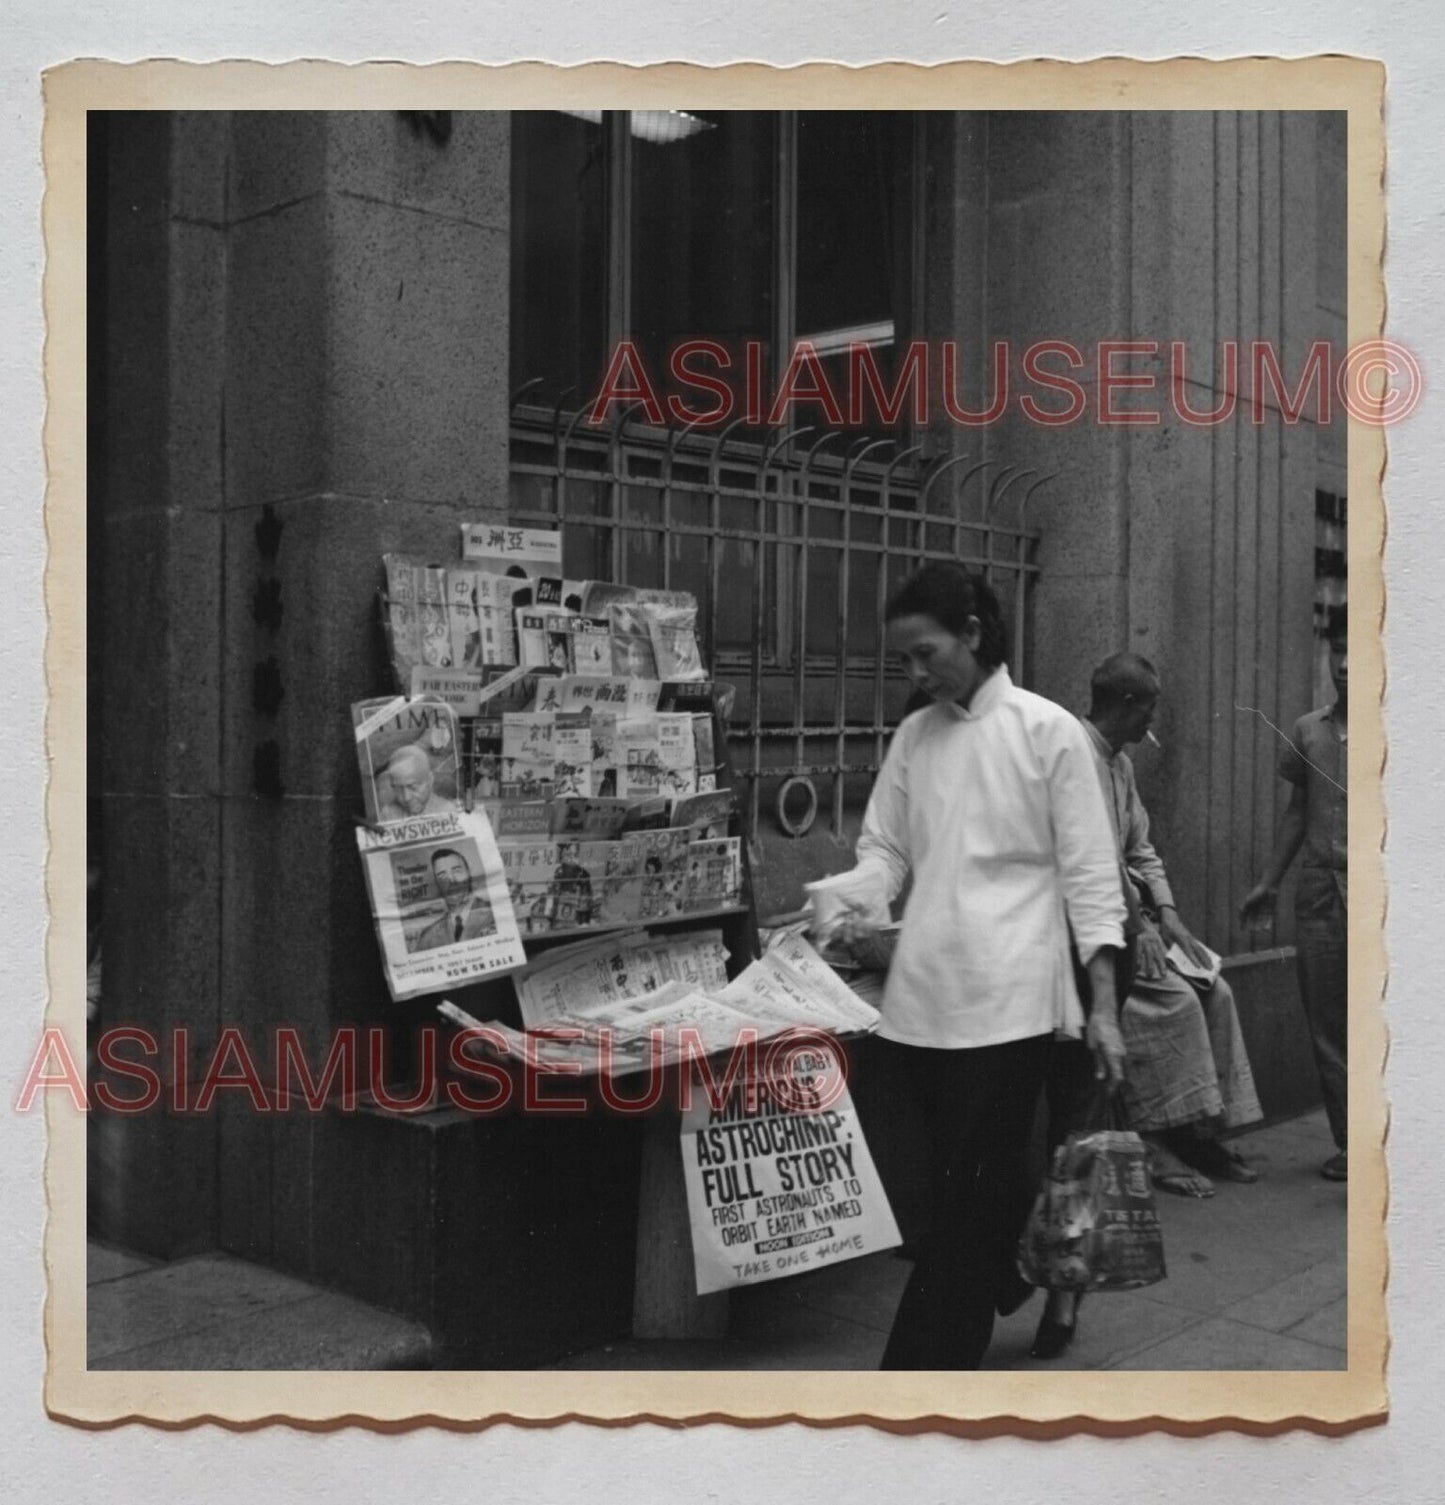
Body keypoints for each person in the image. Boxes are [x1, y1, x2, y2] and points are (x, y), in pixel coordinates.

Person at [827, 562, 1128, 1370]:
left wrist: (1101, 1005)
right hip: (922, 1002)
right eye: (903, 663)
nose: (915, 675)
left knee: (965, 1203)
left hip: (1016, 999)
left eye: (925, 655)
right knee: (959, 1198)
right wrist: (850, 895)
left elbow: (1094, 875)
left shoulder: (1048, 731)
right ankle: (1001, 1270)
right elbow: (884, 847)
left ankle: (919, 1381)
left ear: (972, 633)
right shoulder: (913, 738)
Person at [1028, 652, 1265, 1359]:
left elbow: (1135, 850)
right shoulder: (1066, 749)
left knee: (1077, 1130)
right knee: (1050, 1133)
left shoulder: (1120, 767)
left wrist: (1163, 916)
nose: (1154, 720)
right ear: (1129, 705)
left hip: (1101, 958)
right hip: (1057, 958)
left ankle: (1063, 1293)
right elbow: (1083, 863)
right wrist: (1136, 928)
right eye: (1150, 707)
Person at [1241, 606, 1348, 1181]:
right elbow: (1298, 810)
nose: (1348, 664)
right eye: (1338, 651)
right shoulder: (1310, 730)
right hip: (1319, 893)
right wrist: (1269, 881)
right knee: (1327, 1020)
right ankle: (1352, 1141)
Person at [411, 847, 496, 951]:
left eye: (457, 871)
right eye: (442, 875)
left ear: (469, 873)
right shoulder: (428, 937)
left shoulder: (496, 913)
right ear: (437, 883)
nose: (451, 880)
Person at [377, 744, 456, 821]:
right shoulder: (387, 816)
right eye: (398, 789)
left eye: (413, 787)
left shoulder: (448, 813)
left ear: (430, 781)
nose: (406, 797)